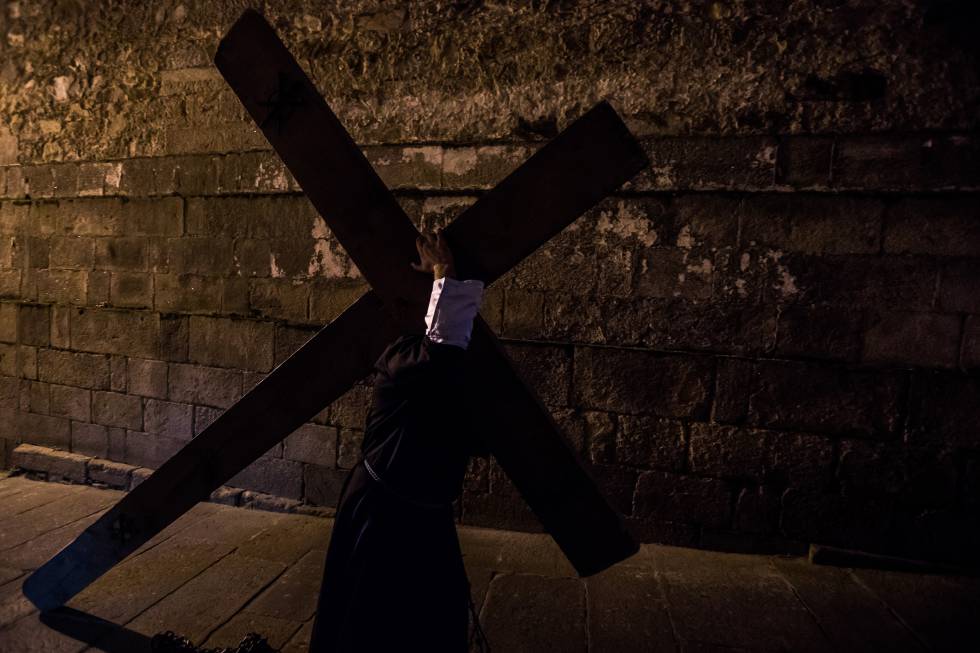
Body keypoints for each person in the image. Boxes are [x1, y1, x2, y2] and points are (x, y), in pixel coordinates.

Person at [308, 230, 491, 652]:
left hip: (417, 508)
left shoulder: (424, 361)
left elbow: (447, 355)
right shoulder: (401, 362)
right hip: (383, 510)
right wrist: (444, 273)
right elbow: (441, 353)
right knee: (371, 617)